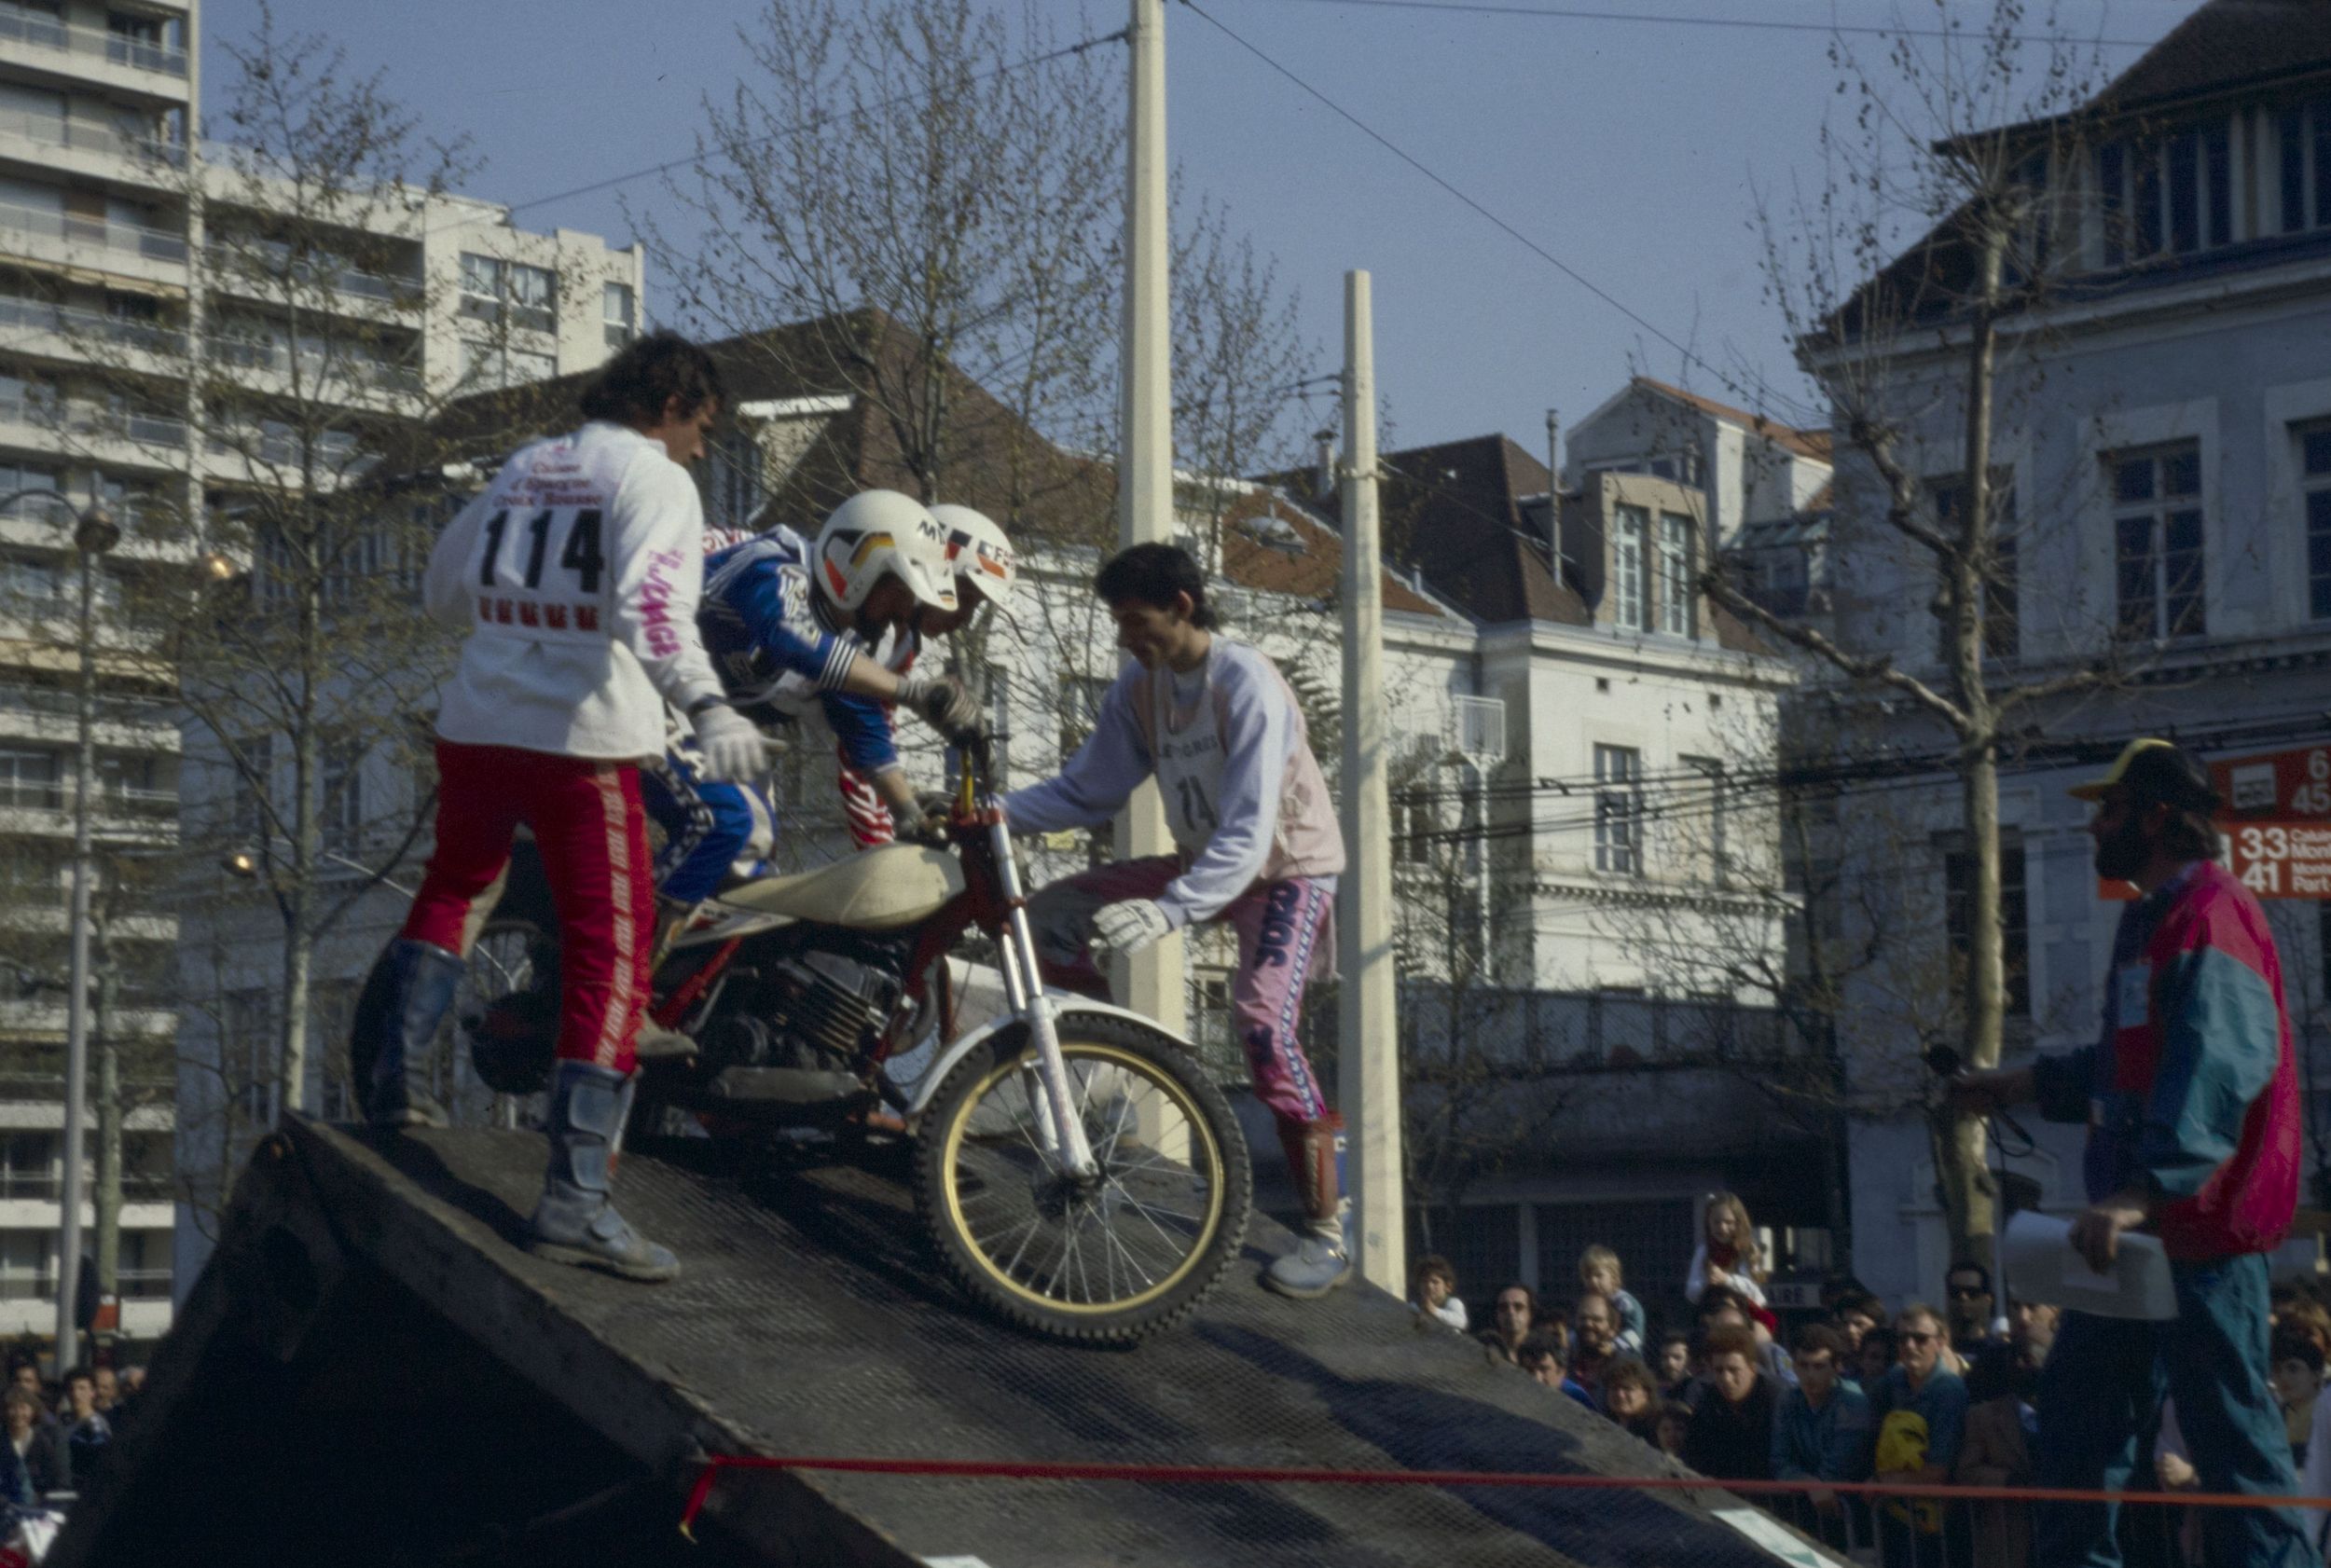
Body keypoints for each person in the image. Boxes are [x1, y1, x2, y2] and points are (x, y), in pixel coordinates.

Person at [349, 333, 755, 1283]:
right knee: (612, 948)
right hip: (580, 738)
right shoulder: (654, 481)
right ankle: (574, 1198)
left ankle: (394, 1084)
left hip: (479, 719)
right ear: (670, 407)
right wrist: (707, 702)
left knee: (456, 885)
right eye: (702, 428)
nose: (702, 449)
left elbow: (444, 587)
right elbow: (655, 611)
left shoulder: (528, 464)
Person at [1951, 738, 2312, 1568]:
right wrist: (2015, 1084)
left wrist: (2140, 1191)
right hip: (2140, 1234)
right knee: (2081, 1433)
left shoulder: (2210, 915)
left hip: (2200, 1237)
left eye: (2106, 810)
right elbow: (2128, 1068)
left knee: (2233, 1452)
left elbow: (2215, 1067)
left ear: (2154, 818)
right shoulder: (2155, 919)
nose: (2092, 828)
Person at [1001, 543, 1347, 1299]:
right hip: (1206, 862)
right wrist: (991, 814)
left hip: (1288, 870)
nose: (1126, 638)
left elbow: (1253, 833)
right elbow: (1089, 791)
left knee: (1260, 1022)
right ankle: (1090, 1086)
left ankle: (1326, 1230)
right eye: (1119, 623)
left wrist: (1169, 910)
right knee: (1057, 912)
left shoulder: (1247, 684)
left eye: (1136, 621)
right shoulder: (1138, 688)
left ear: (1184, 607)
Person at [650, 488, 981, 949]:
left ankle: (693, 998)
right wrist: (911, 692)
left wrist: (907, 809)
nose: (905, 611)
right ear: (858, 565)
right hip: (638, 692)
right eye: (900, 590)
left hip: (701, 718)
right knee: (728, 821)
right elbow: (791, 639)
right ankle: (624, 980)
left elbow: (861, 724)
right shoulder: (773, 565)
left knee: (750, 865)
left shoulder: (848, 634)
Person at [830, 502, 1018, 848]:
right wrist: (884, 842)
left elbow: (879, 736)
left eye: (976, 607)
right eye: (965, 598)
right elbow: (858, 752)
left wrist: (910, 801)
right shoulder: (873, 635)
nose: (965, 618)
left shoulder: (904, 645)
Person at [1869, 1303, 1969, 1568]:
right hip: (1897, 1514)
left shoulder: (1949, 1390)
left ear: (1941, 1341)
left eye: (1920, 1338)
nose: (1910, 1346)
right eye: (1902, 1338)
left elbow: (1939, 1470)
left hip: (1935, 1521)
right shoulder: (1895, 1379)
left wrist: (1882, 1483)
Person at [1957, 1304, 2054, 1568]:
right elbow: (1967, 1473)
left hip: (2058, 1537)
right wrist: (2009, 1481)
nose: (2020, 1364)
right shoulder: (1983, 1417)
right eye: (2015, 1357)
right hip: (2007, 1543)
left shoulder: (2071, 1418)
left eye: (2030, 1357)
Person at [1772, 1325, 1873, 1553]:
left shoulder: (1852, 1402)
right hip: (1807, 1506)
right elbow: (1780, 1461)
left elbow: (1839, 1468)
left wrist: (1810, 1484)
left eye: (1819, 1366)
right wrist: (1810, 1483)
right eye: (1803, 1365)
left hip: (1852, 1515)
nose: (1809, 1375)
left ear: (1836, 1367)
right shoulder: (1787, 1401)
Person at [1681, 1326, 1776, 1481]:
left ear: (1752, 1368)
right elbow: (1695, 1453)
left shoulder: (1777, 1401)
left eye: (1734, 1370)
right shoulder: (1708, 1401)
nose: (1726, 1379)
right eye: (1719, 1370)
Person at [1686, 1190, 1768, 1312]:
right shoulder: (1703, 1251)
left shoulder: (1748, 1250)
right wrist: (1707, 1282)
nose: (1722, 1228)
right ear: (1709, 1223)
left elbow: (1753, 1291)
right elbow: (1691, 1294)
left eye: (1729, 1222)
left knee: (1760, 1330)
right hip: (1713, 1309)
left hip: (1748, 1310)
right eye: (1716, 1222)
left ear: (1738, 1223)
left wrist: (1726, 1279)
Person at [1579, 1245, 1647, 1354]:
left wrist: (1614, 1346)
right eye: (1587, 1276)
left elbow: (1635, 1333)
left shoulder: (1625, 1303)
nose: (1593, 1281)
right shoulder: (1587, 1305)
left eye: (1598, 1275)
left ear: (1614, 1277)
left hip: (1627, 1361)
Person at [2270, 1329, 2324, 1466]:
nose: (2283, 1377)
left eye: (2293, 1369)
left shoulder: (2325, 1415)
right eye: (2277, 1369)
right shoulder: (2273, 1417)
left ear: (2316, 1375)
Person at [3, 1387, 65, 1497]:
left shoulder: (43, 1443)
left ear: (33, 1411)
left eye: (23, 1408)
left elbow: (56, 1479)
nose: (18, 1413)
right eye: (12, 1408)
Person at [58, 1367, 106, 1491]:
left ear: (93, 1392)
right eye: (71, 1388)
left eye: (82, 1388)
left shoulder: (95, 1427)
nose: (76, 1394)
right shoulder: (63, 1421)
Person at [1944, 1259, 2004, 1358]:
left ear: (1988, 1300)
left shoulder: (2000, 1353)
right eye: (1955, 1292)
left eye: (1972, 1292)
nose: (1963, 1297)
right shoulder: (1935, 1350)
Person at [1517, 1335, 1595, 1409]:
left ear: (1561, 1371)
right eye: (1529, 1370)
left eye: (1544, 1369)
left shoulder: (1577, 1398)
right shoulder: (1518, 1394)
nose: (1537, 1378)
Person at [1599, 1356, 1662, 1442]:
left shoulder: (1658, 1429)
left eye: (1627, 1388)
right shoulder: (1604, 1426)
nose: (1620, 1395)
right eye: (1614, 1388)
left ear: (1646, 1393)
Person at [1571, 1290, 1623, 1390]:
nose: (1588, 1324)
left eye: (1596, 1319)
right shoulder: (1564, 1365)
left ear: (1613, 1329)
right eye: (1583, 1318)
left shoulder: (1624, 1367)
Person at [1481, 1285, 1538, 1367]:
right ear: (1496, 1314)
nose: (1510, 1312)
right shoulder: (1482, 1347)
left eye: (1518, 1307)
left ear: (1531, 1314)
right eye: (1503, 1307)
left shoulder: (1543, 1352)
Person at [1412, 1254, 1467, 1331]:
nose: (1429, 1286)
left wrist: (1435, 1311)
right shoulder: (1415, 1306)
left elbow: (1461, 1322)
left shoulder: (1453, 1303)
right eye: (1424, 1281)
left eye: (1435, 1282)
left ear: (1448, 1286)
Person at [1654, 1329, 1695, 1400]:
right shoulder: (1655, 1390)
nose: (1670, 1363)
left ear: (1689, 1360)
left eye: (1677, 1357)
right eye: (1665, 1357)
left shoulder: (1697, 1391)